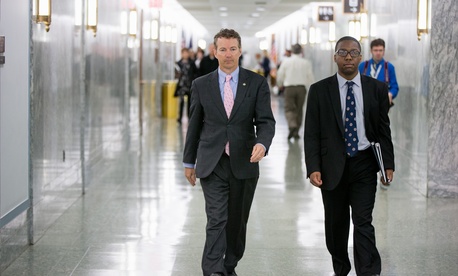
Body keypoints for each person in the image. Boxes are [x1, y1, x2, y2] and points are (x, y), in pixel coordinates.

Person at [183, 28, 276, 276]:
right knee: (216, 219)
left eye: (232, 49)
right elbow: (194, 125)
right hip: (212, 162)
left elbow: (266, 121)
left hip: (244, 161)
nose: (228, 54)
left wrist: (262, 143)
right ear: (215, 52)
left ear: (240, 50)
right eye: (222, 49)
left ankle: (228, 265)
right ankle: (213, 270)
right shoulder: (201, 84)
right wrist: (188, 162)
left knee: (236, 223)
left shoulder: (256, 82)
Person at [304, 36, 395, 276]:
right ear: (334, 57)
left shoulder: (377, 89)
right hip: (331, 165)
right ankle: (341, 268)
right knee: (336, 224)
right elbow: (311, 133)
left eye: (354, 53)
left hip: (364, 163)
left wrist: (388, 164)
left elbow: (383, 130)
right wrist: (313, 166)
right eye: (343, 52)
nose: (348, 57)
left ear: (360, 57)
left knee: (363, 221)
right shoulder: (319, 90)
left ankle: (368, 271)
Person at [276, 43, 315, 140]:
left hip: (289, 88)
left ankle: (292, 125)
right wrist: (313, 88)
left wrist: (279, 84)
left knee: (289, 109)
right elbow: (310, 77)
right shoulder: (306, 62)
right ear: (301, 51)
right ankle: (296, 131)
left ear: (292, 51)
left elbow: (280, 74)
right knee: (299, 110)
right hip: (301, 88)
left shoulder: (286, 61)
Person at [358, 38, 399, 106]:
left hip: (382, 104)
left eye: (380, 50)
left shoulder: (389, 67)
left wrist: (390, 94)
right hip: (364, 103)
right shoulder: (362, 66)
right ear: (371, 51)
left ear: (384, 51)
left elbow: (394, 87)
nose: (378, 53)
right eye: (375, 50)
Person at [174, 47, 197, 123]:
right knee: (181, 102)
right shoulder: (178, 63)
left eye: (186, 53)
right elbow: (175, 74)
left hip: (189, 85)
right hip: (181, 86)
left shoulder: (192, 63)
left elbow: (196, 72)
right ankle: (179, 118)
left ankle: (189, 117)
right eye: (184, 53)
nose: (185, 54)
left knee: (190, 103)